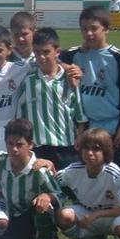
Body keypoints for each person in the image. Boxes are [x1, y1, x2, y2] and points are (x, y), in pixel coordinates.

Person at [60, 6, 120, 169]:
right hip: (86, 129)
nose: (89, 33)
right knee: (87, 176)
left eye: (94, 28)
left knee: (112, 176)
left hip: (114, 129)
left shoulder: (118, 57)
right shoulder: (75, 54)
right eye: (84, 29)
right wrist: (67, 67)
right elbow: (50, 56)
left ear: (106, 29)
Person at [54, 128, 120, 239]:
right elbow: (55, 180)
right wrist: (48, 165)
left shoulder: (115, 174)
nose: (90, 153)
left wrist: (97, 214)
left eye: (96, 149)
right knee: (64, 216)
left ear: (106, 152)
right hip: (87, 211)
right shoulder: (73, 170)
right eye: (86, 148)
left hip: (114, 215)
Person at [15, 27, 87, 170]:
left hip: (66, 147)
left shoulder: (70, 79)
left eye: (46, 52)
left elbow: (80, 115)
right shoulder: (28, 82)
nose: (41, 57)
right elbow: (20, 115)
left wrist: (80, 135)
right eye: (37, 52)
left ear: (57, 52)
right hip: (38, 147)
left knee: (67, 183)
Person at [0, 118, 60, 239]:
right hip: (12, 216)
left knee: (44, 206)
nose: (14, 149)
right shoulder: (1, 162)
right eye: (10, 144)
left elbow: (60, 194)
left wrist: (47, 195)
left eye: (19, 144)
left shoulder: (39, 170)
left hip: (32, 217)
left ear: (30, 144)